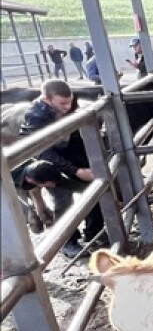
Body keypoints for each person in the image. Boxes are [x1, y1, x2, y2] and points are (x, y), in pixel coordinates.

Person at [18, 80, 105, 259]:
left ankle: (94, 232)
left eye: (70, 101)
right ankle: (68, 242)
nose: (67, 106)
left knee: (95, 191)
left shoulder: (72, 105)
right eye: (62, 103)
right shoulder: (36, 116)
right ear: (46, 99)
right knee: (63, 201)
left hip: (74, 155)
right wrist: (75, 171)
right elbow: (43, 151)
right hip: (52, 163)